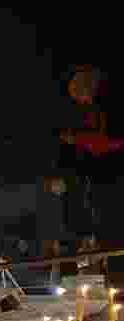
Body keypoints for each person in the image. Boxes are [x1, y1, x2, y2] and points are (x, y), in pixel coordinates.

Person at [58, 64, 124, 287]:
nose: (79, 100)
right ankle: (115, 287)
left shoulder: (109, 107)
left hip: (113, 181)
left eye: (79, 93)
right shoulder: (95, 110)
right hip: (103, 181)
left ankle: (118, 288)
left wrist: (78, 139)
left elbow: (112, 140)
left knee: (114, 237)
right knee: (108, 237)